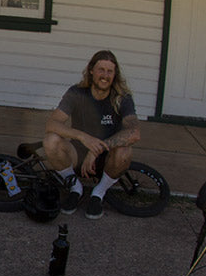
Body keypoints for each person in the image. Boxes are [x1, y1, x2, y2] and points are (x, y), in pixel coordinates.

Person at [42, 49, 141, 218]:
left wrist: (98, 149)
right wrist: (83, 137)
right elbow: (52, 123)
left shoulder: (122, 97)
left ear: (115, 74)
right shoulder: (77, 92)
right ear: (91, 70)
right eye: (101, 69)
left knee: (125, 150)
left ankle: (98, 193)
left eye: (110, 71)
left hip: (107, 158)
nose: (105, 75)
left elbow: (134, 133)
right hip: (77, 155)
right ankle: (75, 188)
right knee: (51, 140)